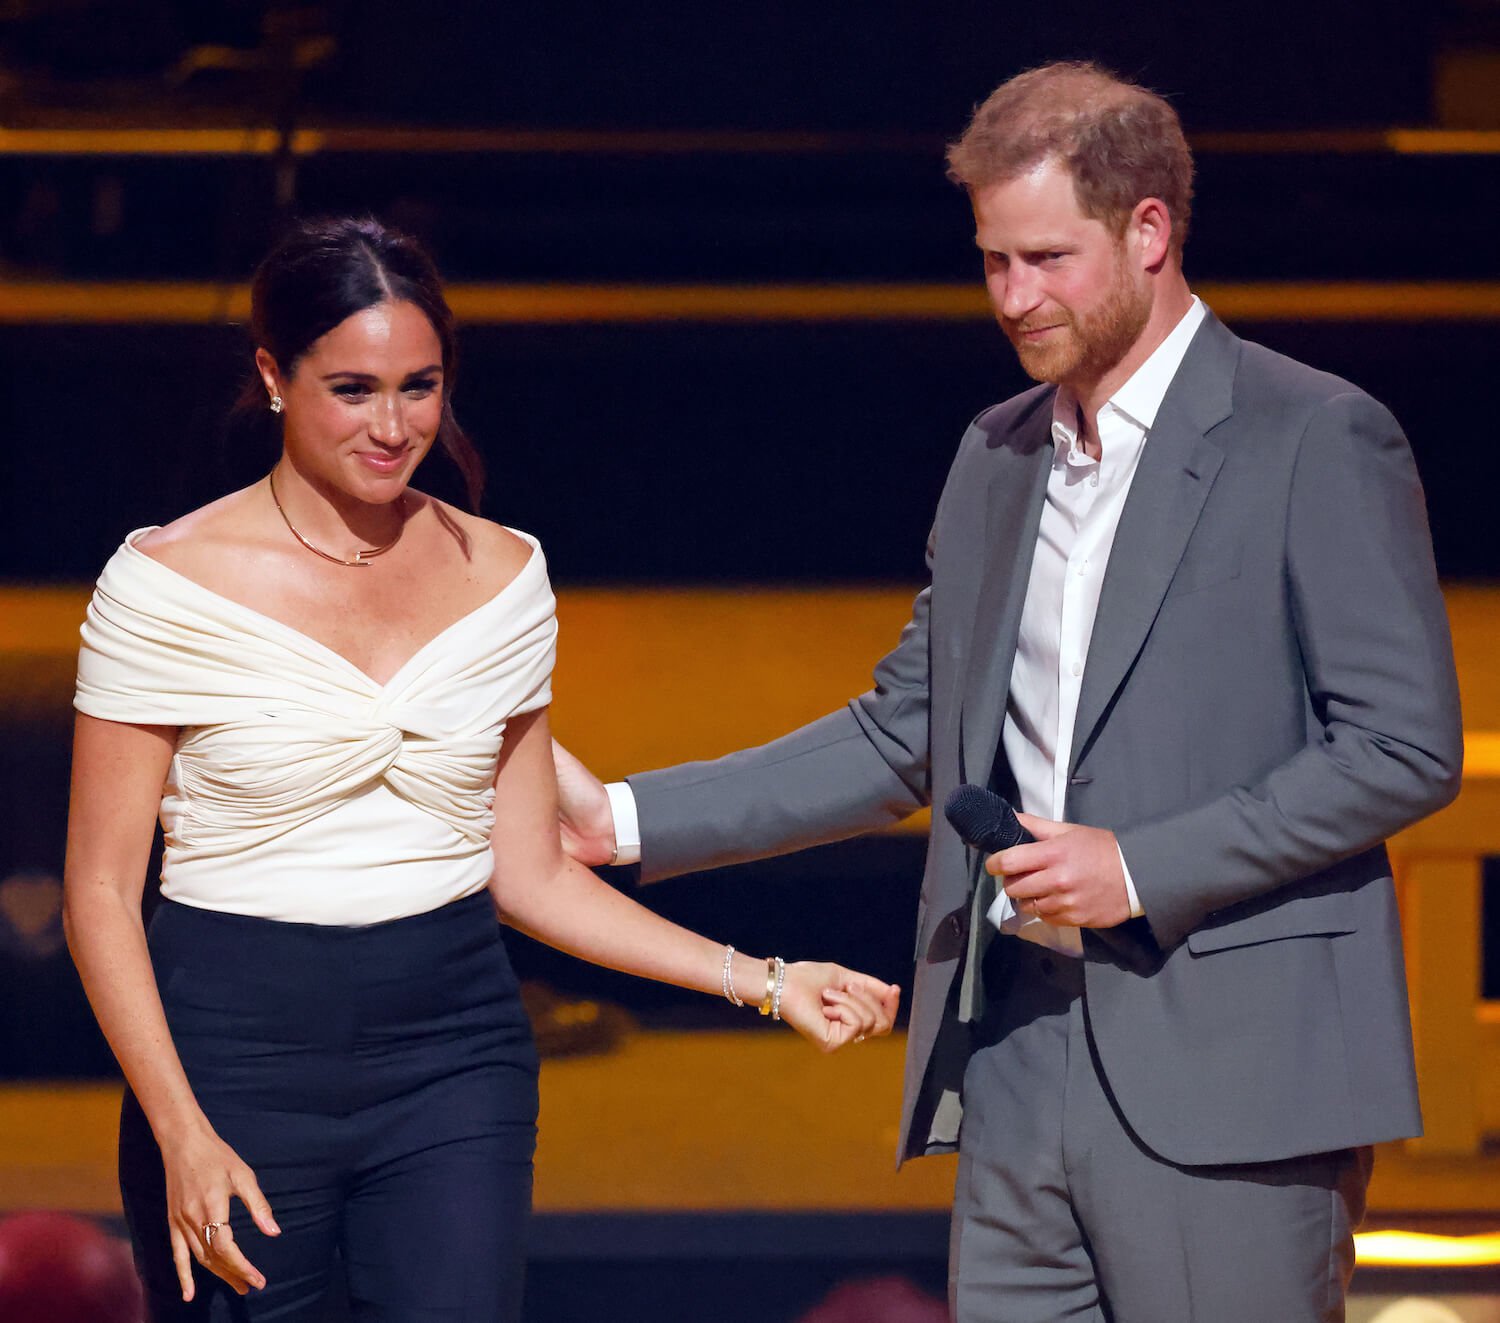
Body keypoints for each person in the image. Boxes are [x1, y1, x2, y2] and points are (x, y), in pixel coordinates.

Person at [552, 62, 1464, 1322]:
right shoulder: (996, 454)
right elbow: (906, 732)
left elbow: (1403, 748)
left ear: (1150, 230)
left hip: (1229, 1071)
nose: (1013, 298)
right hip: (1016, 1055)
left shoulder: (1312, 435)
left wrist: (1141, 867)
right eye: (992, 262)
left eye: (1046, 258)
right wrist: (624, 821)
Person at [63, 216, 900, 1323]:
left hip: (452, 1048)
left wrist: (765, 977)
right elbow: (99, 894)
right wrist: (180, 1129)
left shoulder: (503, 574)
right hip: (234, 1055)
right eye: (353, 389)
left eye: (421, 386)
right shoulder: (165, 585)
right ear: (273, 374)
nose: (394, 424)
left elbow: (533, 876)